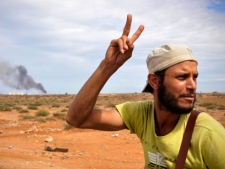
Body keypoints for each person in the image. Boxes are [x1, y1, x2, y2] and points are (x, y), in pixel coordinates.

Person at [66, 14, 225, 169]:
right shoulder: (143, 115)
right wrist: (108, 66)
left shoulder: (209, 134)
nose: (193, 85)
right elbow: (76, 119)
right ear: (155, 81)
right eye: (182, 77)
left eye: (194, 77)